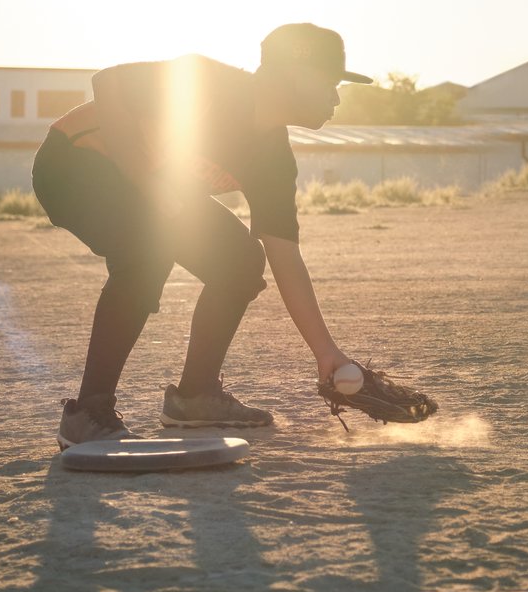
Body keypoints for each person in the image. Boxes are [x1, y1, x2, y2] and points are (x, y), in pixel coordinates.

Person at [33, 23, 375, 448]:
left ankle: (195, 395)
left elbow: (286, 256)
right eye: (331, 82)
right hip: (73, 165)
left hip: (156, 192)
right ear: (297, 75)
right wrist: (152, 184)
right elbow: (109, 83)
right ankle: (86, 411)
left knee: (241, 260)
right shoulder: (208, 84)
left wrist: (326, 352)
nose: (336, 97)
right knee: (147, 248)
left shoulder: (273, 159)